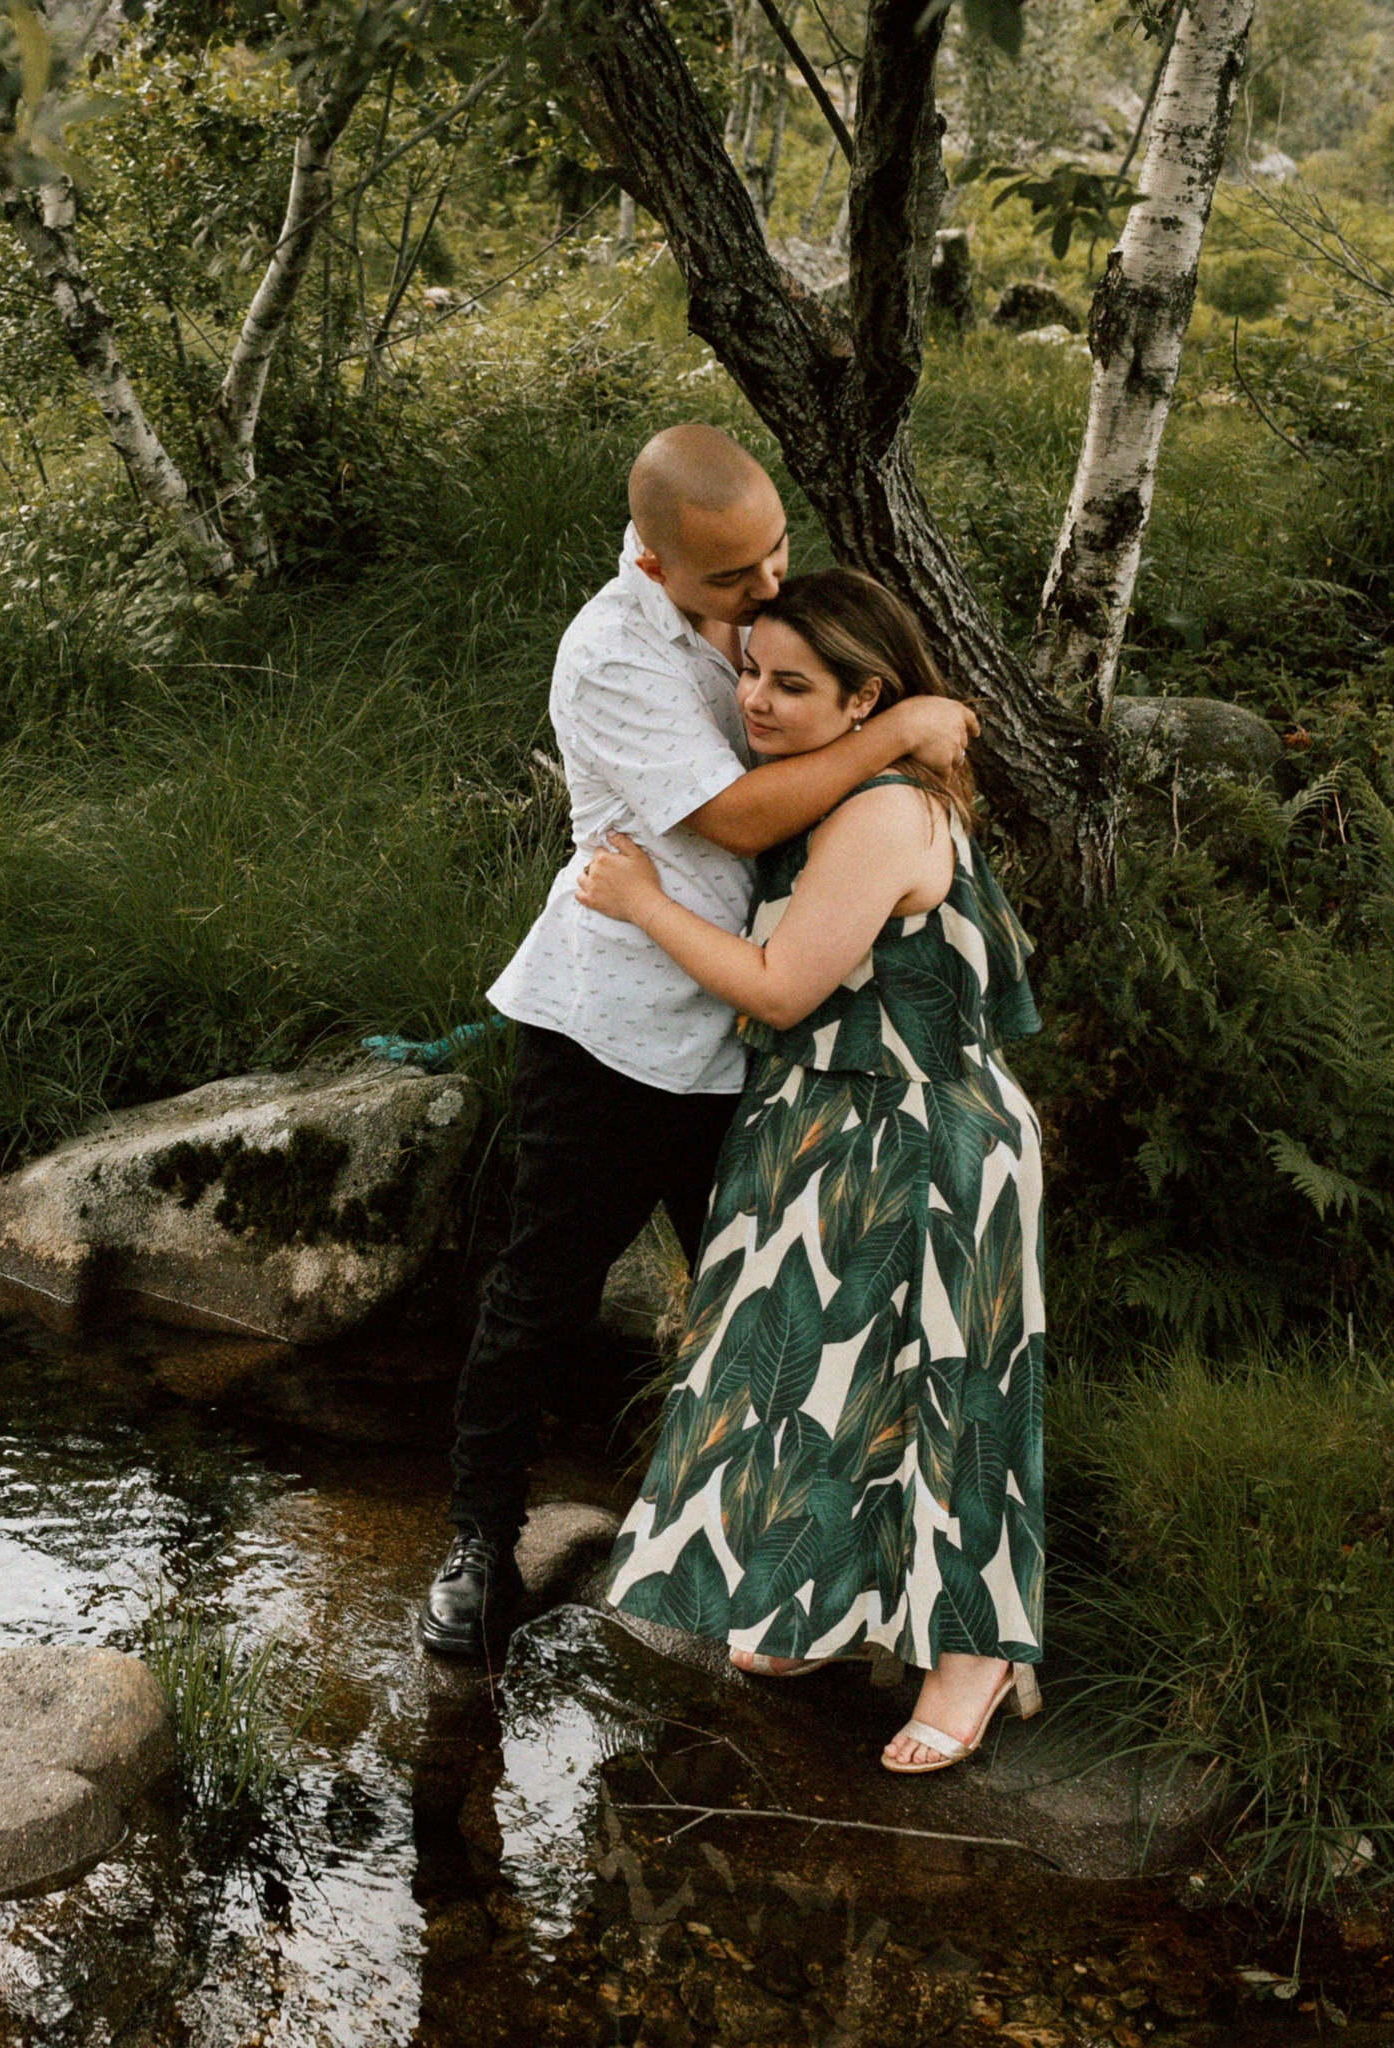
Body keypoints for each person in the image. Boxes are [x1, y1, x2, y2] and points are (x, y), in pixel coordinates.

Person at [418, 426, 981, 1660]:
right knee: (543, 1290)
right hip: (615, 1028)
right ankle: (477, 1540)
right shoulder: (611, 654)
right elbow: (731, 821)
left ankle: (769, 1553)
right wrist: (897, 733)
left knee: (765, 1297)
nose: (765, 590)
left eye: (775, 556)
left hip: (771, 1032)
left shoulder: (769, 612)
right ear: (655, 561)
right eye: (732, 579)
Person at [575, 567, 1047, 1775]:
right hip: (831, 1130)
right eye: (749, 673)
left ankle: (977, 1657)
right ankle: (822, 1607)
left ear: (864, 697)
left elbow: (783, 983)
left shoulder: (884, 809)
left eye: (793, 684)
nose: (758, 702)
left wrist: (639, 901)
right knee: (825, 1386)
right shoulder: (838, 785)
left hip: (920, 1135)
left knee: (950, 1394)